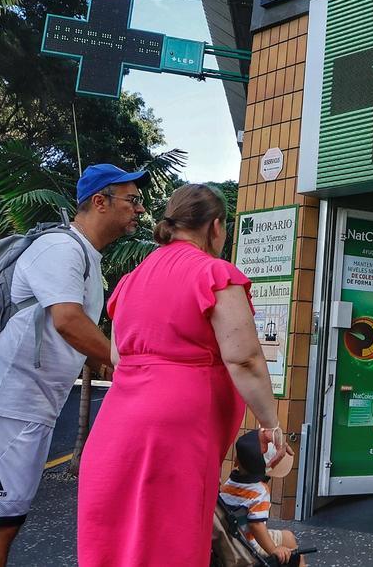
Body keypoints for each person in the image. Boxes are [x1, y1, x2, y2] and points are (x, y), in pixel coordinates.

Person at [77, 183, 287, 566]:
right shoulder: (215, 274)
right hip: (176, 433)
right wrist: (272, 424)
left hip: (118, 424)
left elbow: (118, 358)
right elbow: (245, 359)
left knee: (120, 537)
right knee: (171, 538)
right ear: (217, 226)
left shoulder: (131, 280)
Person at [0, 164, 148, 567]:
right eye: (132, 200)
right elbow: (68, 320)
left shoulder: (86, 257)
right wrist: (126, 366)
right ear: (100, 202)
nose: (140, 209)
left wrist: (111, 368)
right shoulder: (61, 248)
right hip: (11, 401)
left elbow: (72, 335)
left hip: (29, 405)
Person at [219, 430, 304, 565]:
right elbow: (256, 525)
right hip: (251, 545)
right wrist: (274, 549)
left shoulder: (229, 483)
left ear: (236, 461)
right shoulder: (260, 491)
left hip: (234, 540)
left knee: (286, 537)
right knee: (289, 539)